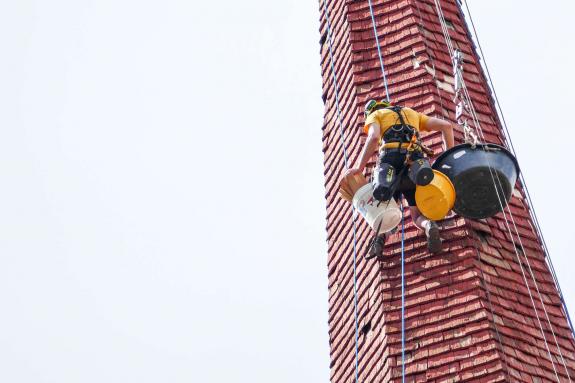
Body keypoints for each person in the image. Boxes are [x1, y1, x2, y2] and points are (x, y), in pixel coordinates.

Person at [344, 99, 455, 255]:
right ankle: (429, 225)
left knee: (384, 207)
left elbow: (374, 137)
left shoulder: (375, 115)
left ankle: (380, 239)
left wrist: (359, 167)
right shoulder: (411, 113)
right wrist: (449, 156)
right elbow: (447, 126)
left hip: (389, 163)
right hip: (414, 164)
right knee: (416, 215)